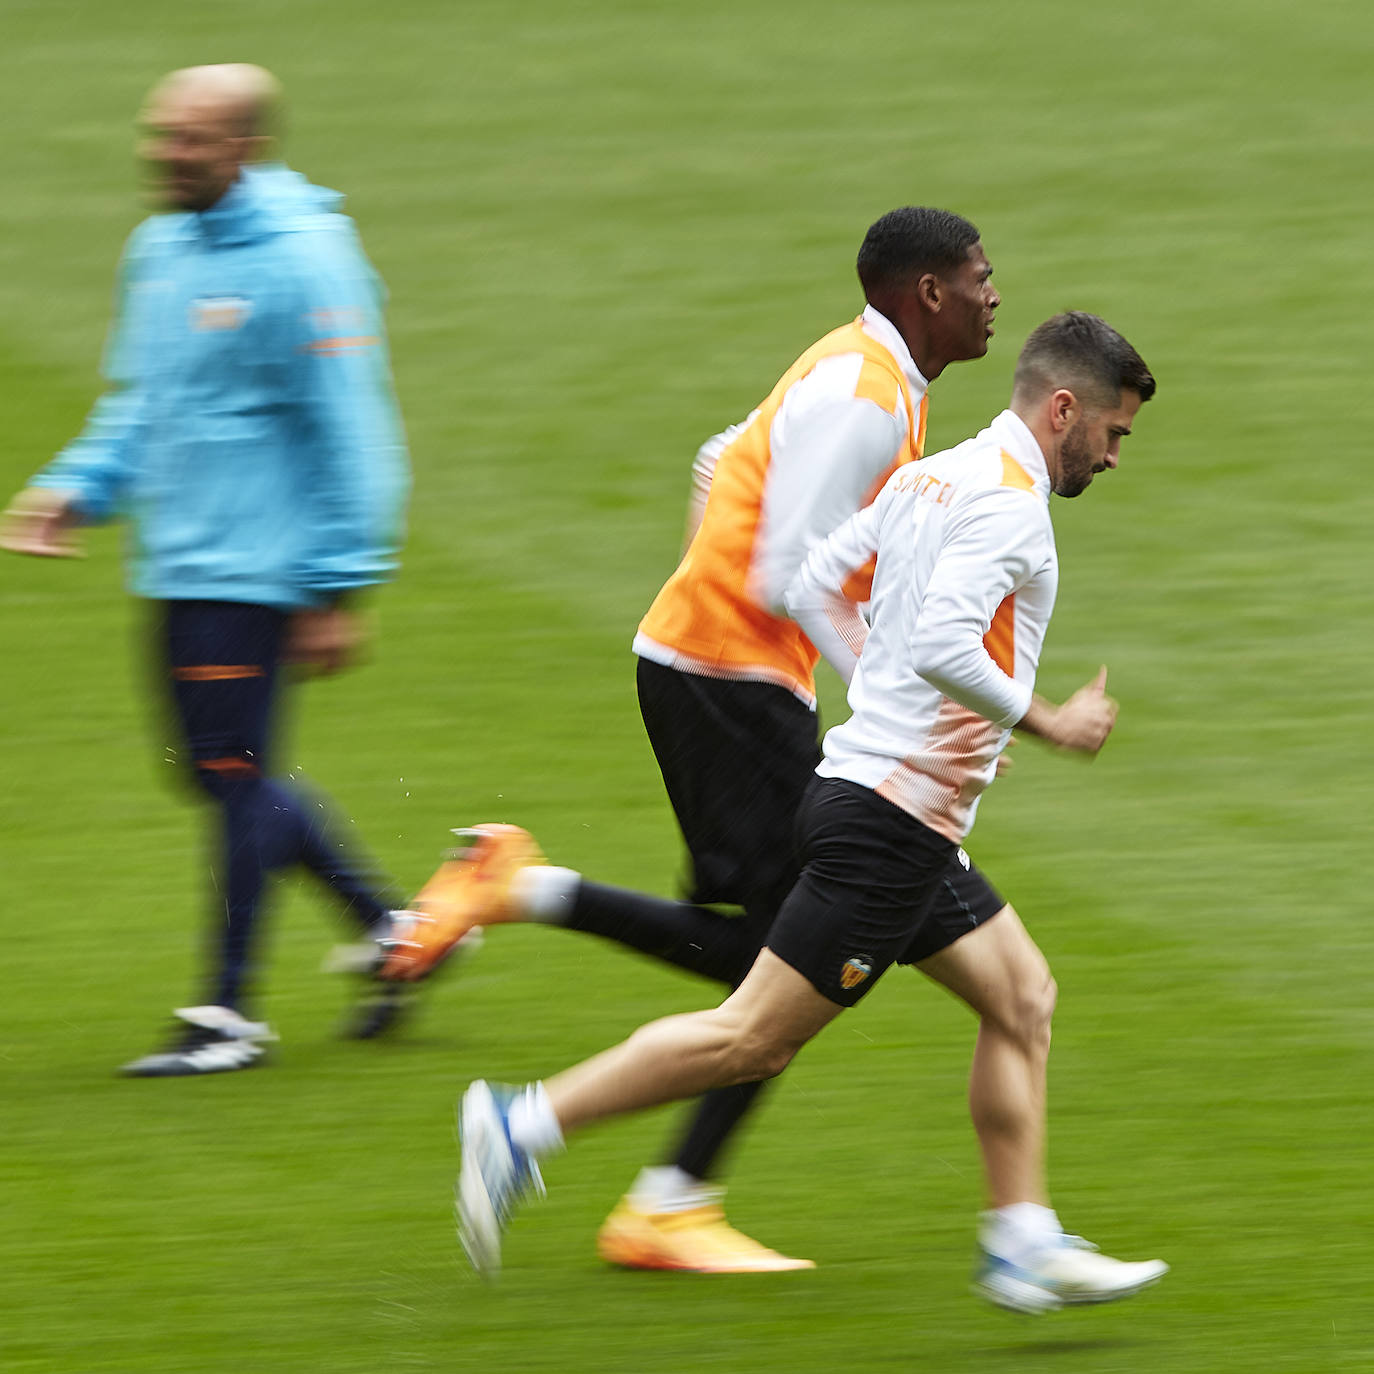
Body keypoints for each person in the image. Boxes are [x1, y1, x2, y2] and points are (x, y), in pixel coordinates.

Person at [456, 311, 1170, 1313]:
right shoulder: (1010, 509)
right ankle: (521, 1123)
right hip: (888, 825)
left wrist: (894, 703)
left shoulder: (937, 472)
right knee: (752, 1035)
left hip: (887, 803)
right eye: (1115, 431)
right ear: (1065, 409)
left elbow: (819, 578)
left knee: (1022, 999)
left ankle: (1021, 1239)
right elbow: (944, 647)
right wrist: (1047, 721)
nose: (1114, 453)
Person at [381, 207, 1009, 1273]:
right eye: (982, 277)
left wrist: (703, 595)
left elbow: (721, 456)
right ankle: (645, 1182)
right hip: (728, 688)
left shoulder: (871, 372)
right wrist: (887, 692)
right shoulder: (866, 397)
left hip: (726, 677)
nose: (998, 294)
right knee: (790, 965)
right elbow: (781, 574)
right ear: (930, 294)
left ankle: (655, 1168)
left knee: (781, 965)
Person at [0, 64, 411, 1073]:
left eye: (187, 140)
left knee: (232, 776)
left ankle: (226, 1017)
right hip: (179, 563)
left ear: (244, 147)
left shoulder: (303, 263)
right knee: (218, 775)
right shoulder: (162, 248)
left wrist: (338, 583)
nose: (163, 154)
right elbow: (144, 400)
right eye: (159, 135)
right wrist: (78, 487)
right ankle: (398, 933)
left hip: (258, 571)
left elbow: (354, 429)